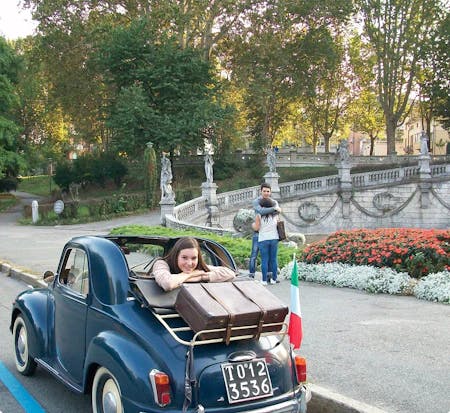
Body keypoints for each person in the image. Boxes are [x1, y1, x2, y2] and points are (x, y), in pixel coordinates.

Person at [152, 237, 236, 291]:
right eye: (184, 257)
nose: (189, 263)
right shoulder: (161, 263)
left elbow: (230, 274)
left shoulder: (198, 268)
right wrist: (190, 274)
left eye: (194, 258)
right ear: (176, 256)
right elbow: (168, 284)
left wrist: (202, 277)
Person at [249, 183, 280, 279]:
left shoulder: (274, 201)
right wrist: (274, 209)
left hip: (269, 233)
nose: (266, 193)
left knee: (270, 257)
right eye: (264, 191)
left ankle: (270, 276)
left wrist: (273, 210)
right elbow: (260, 211)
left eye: (268, 191)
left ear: (270, 192)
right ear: (261, 191)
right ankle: (251, 274)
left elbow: (277, 213)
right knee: (254, 254)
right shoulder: (256, 201)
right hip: (258, 232)